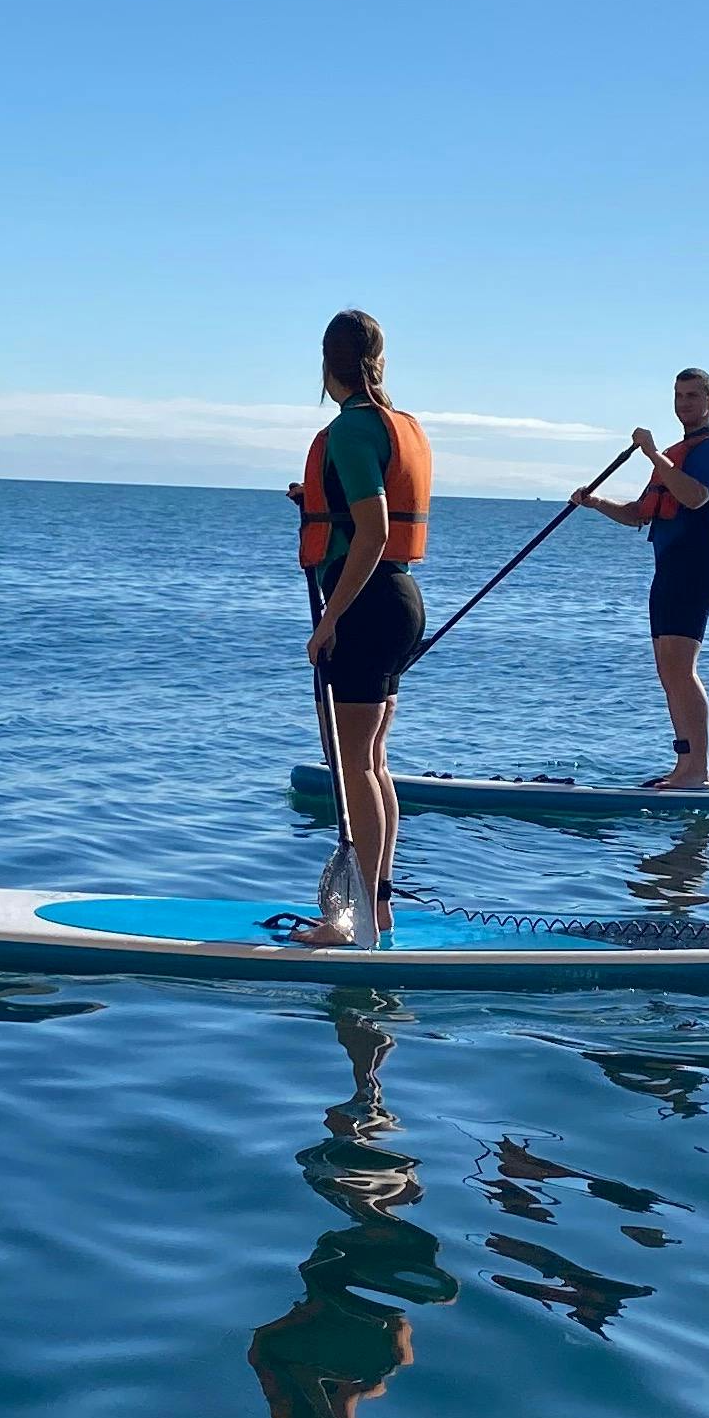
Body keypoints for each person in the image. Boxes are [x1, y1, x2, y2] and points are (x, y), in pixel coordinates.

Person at [286, 310, 431, 945]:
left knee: (352, 765)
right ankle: (379, 908)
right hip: (399, 599)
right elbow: (366, 522)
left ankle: (358, 922)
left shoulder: (348, 430)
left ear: (327, 364)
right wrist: (317, 506)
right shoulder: (399, 425)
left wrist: (332, 619)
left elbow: (370, 532)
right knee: (370, 761)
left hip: (366, 606)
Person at [569, 367, 709, 789]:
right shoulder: (673, 453)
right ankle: (685, 766)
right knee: (668, 670)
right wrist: (595, 502)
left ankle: (699, 770)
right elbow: (637, 515)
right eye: (678, 396)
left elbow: (695, 496)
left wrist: (649, 453)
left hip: (696, 567)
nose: (684, 404)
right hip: (667, 570)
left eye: (692, 396)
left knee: (681, 669)